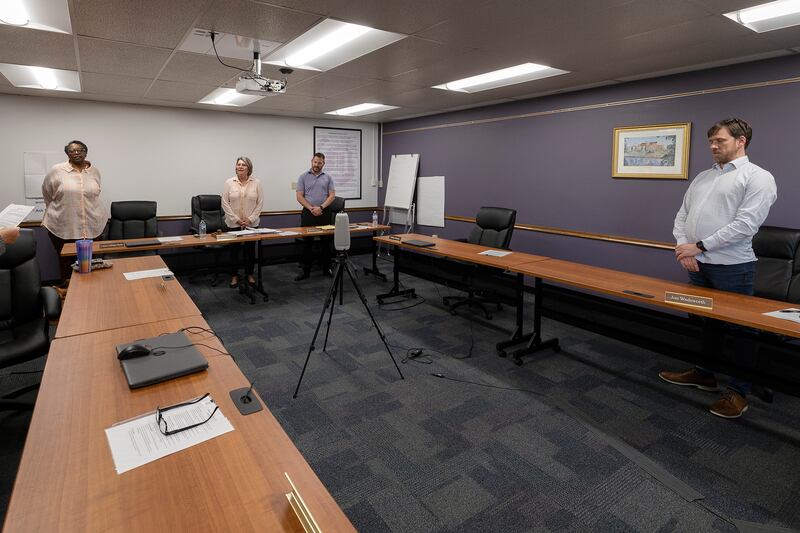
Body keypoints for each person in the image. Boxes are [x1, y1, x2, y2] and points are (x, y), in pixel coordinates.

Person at [660, 118, 777, 419]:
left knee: (741, 331)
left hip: (733, 268)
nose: (713, 146)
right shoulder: (703, 177)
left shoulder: (758, 178)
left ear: (741, 141)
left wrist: (699, 246)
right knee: (705, 322)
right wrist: (683, 248)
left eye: (720, 141)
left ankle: (739, 391)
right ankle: (704, 374)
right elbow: (682, 215)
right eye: (711, 141)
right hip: (698, 266)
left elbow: (745, 226)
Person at [41, 140, 109, 282]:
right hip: (63, 225)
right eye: (72, 150)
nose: (76, 153)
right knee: (67, 262)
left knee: (92, 262)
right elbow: (47, 194)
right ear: (67, 153)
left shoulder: (94, 171)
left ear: (86, 152)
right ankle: (69, 294)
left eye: (80, 150)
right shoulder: (57, 170)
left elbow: (95, 194)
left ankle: (92, 292)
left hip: (93, 225)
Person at [221, 156, 263, 288]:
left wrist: (249, 219)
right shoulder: (229, 183)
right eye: (238, 164)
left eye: (243, 165)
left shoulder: (257, 183)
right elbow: (225, 203)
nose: (240, 167)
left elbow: (260, 203)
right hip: (234, 224)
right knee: (234, 251)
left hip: (251, 224)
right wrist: (236, 219)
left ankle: (249, 274)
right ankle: (234, 275)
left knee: (250, 251)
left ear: (249, 168)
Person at [294, 152, 336, 281]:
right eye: (315, 162)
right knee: (307, 242)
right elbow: (299, 196)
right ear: (312, 161)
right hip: (308, 213)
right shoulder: (303, 177)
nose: (317, 164)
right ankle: (306, 271)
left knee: (326, 242)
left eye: (320, 163)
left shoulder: (328, 177)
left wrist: (321, 207)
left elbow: (332, 196)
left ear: (323, 163)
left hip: (324, 212)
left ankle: (326, 269)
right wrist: (311, 208)